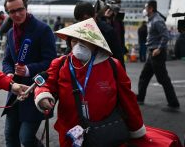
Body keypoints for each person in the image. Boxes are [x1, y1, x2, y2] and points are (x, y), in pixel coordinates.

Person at [34, 18, 146, 147]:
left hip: (106, 132)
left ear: (95, 43)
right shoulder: (60, 64)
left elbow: (127, 99)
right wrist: (42, 95)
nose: (78, 45)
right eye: (74, 40)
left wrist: (136, 128)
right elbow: (47, 84)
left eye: (84, 41)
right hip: (70, 133)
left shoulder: (112, 65)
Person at [2, 0, 57, 147]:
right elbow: (7, 60)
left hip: (35, 90)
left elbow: (52, 62)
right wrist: (8, 73)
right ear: (8, 13)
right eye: (12, 11)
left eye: (20, 9)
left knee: (26, 138)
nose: (17, 14)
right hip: (15, 91)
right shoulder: (10, 32)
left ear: (26, 8)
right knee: (10, 136)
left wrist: (27, 70)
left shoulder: (43, 29)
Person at [137, 0, 180, 112]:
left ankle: (173, 103)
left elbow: (166, 36)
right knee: (144, 76)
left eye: (146, 7)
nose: (145, 9)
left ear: (151, 8)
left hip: (157, 54)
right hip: (152, 53)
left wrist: (159, 48)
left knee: (163, 79)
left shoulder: (157, 21)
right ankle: (140, 98)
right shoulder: (151, 20)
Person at [73, 1, 125, 67]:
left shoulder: (107, 31)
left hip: (104, 70)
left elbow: (118, 56)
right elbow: (69, 51)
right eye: (80, 20)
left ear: (94, 15)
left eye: (86, 18)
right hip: (80, 71)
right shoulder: (75, 30)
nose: (84, 22)